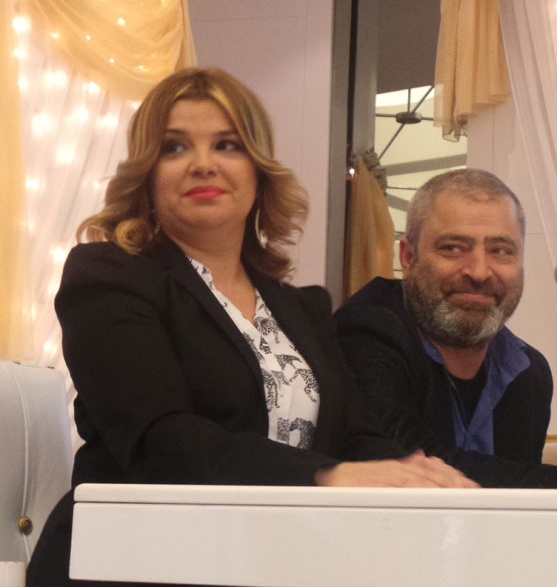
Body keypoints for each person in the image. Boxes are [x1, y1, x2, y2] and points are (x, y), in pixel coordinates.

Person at [27, 68, 476, 587]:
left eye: (227, 145)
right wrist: (326, 474)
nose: (203, 164)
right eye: (174, 148)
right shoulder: (107, 277)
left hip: (272, 562)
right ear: (147, 175)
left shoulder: (302, 308)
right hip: (131, 562)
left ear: (259, 172)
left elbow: (356, 435)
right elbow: (162, 440)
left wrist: (421, 474)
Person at [334, 168, 557, 488]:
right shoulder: (366, 333)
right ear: (407, 258)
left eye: (500, 251)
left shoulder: (528, 372)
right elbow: (415, 470)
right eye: (453, 248)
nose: (479, 271)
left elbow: (517, 497)